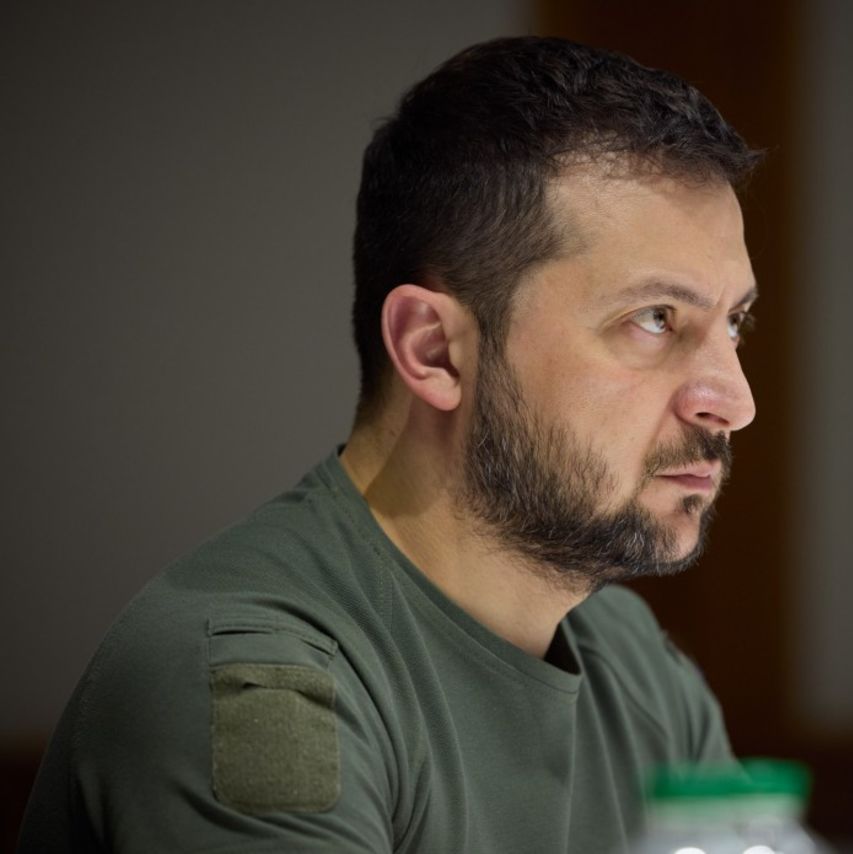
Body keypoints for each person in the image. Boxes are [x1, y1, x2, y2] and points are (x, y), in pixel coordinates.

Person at [19, 35, 760, 853]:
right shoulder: (253, 679)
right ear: (434, 350)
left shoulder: (638, 670)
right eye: (655, 319)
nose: (734, 401)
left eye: (734, 323)